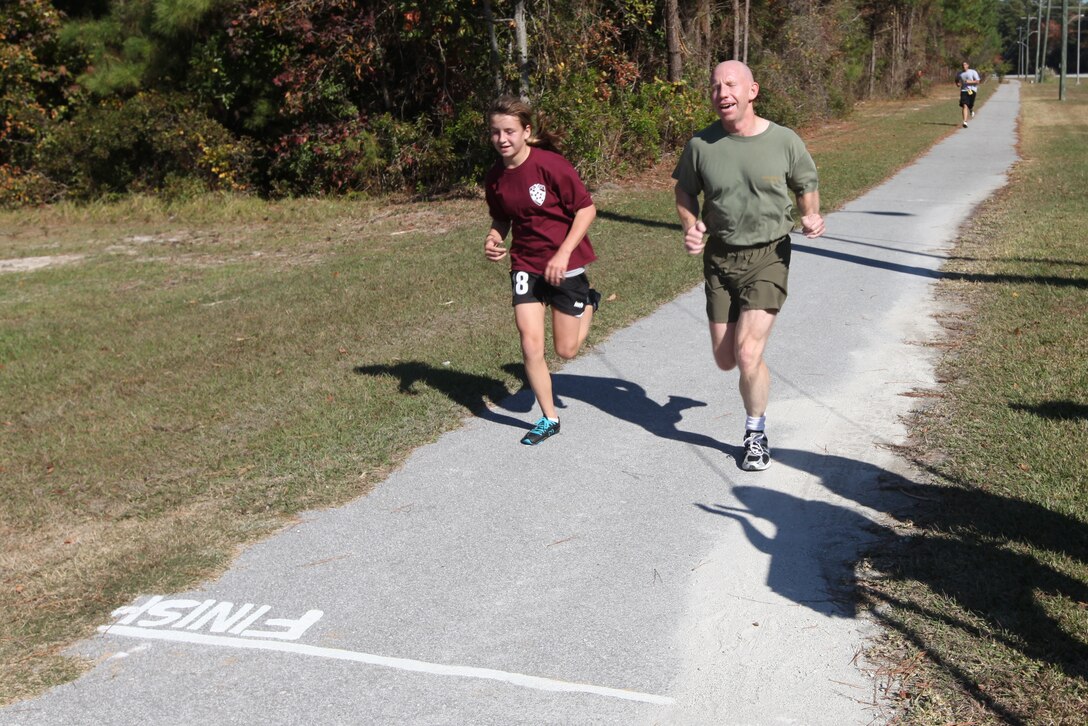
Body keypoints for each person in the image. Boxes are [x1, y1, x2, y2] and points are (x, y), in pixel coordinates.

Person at [672, 60, 824, 471]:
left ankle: (755, 434)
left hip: (768, 257)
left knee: (748, 353)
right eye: (716, 86)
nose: (723, 92)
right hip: (720, 258)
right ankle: (750, 378)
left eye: (731, 85)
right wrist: (691, 226)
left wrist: (810, 215)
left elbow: (806, 185)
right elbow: (684, 192)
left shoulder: (784, 140)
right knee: (726, 359)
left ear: (752, 91)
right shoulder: (700, 146)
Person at [483, 95, 601, 446]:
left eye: (509, 131)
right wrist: (493, 237)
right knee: (530, 344)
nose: (502, 139)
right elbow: (502, 216)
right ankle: (549, 418)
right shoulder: (495, 177)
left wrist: (563, 254)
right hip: (525, 264)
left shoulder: (550, 165)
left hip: (566, 263)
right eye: (495, 133)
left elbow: (586, 210)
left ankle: (590, 301)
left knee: (565, 351)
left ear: (526, 131)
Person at [957, 61, 981, 128]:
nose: (963, 66)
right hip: (964, 90)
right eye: (962, 65)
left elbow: (978, 81)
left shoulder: (972, 72)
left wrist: (969, 82)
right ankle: (965, 122)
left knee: (970, 104)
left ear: (968, 65)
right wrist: (958, 84)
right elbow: (957, 80)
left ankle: (971, 109)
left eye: (965, 65)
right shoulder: (959, 73)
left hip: (972, 90)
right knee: (964, 105)